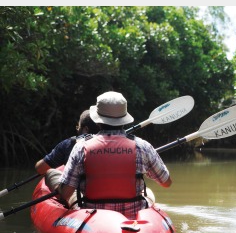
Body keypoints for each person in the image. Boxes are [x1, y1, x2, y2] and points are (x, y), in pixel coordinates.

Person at [55, 91, 172, 219]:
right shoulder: (142, 146)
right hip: (133, 219)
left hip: (94, 220)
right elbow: (166, 182)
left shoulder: (80, 147)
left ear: (97, 121)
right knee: (148, 193)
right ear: (124, 119)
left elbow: (65, 193)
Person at [35, 109, 99, 175]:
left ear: (85, 129)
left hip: (74, 183)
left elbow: (40, 169)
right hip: (100, 183)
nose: (77, 129)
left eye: (78, 126)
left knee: (50, 173)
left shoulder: (69, 144)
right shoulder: (108, 144)